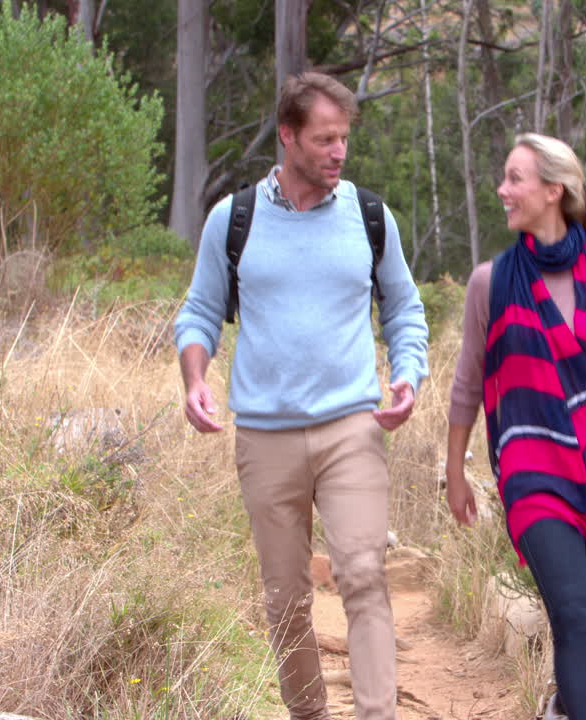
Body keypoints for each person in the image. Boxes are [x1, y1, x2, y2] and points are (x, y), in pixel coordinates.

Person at [174, 71, 429, 720]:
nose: (338, 152)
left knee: (364, 576)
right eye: (324, 139)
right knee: (285, 598)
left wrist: (408, 374)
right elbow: (200, 312)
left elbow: (404, 310)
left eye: (343, 138)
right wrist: (195, 378)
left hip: (352, 428)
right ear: (287, 137)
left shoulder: (371, 217)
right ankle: (308, 714)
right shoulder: (234, 220)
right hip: (265, 436)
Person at [444, 133, 586, 720]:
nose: (503, 190)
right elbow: (468, 383)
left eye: (515, 178)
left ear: (552, 190)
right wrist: (454, 471)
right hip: (531, 473)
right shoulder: (491, 282)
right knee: (573, 617)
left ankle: (564, 706)